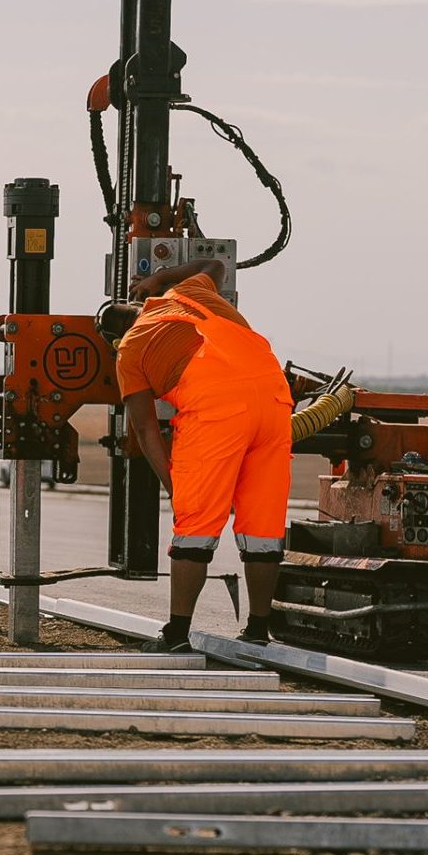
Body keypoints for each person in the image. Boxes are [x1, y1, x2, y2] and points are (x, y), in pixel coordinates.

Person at [111, 256, 293, 652]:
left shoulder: (128, 350)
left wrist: (172, 484)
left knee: (195, 525)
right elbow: (214, 264)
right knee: (262, 528)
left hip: (217, 412)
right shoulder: (189, 292)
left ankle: (177, 635)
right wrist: (158, 277)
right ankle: (259, 630)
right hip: (275, 399)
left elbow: (144, 428)